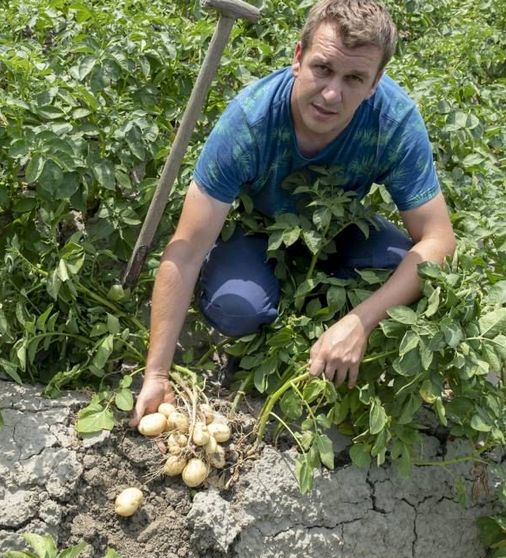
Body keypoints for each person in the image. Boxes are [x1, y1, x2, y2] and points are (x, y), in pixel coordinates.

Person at [131, 0, 456, 425]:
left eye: (354, 78)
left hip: (337, 231)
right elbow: (187, 248)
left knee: (403, 270)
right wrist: (156, 373)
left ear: (376, 82)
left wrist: (361, 321)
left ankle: (328, 319)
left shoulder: (393, 122)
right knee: (237, 307)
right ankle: (266, 292)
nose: (332, 94)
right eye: (323, 68)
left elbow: (439, 241)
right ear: (298, 58)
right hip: (258, 232)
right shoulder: (249, 122)